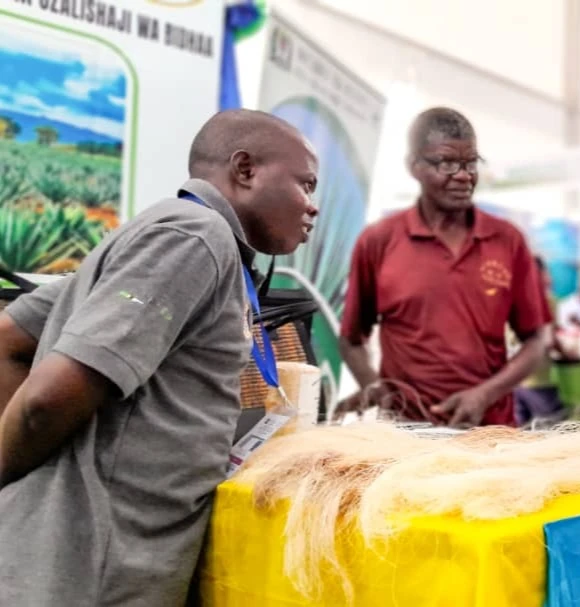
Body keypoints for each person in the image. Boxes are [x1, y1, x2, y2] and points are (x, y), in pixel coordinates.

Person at [0, 109, 319, 606]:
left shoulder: (174, 235)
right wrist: (10, 474)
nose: (312, 206)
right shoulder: (194, 238)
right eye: (306, 184)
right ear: (245, 169)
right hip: (91, 575)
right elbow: (46, 399)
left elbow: (10, 337)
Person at [336, 107, 550, 428]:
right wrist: (374, 387)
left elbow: (536, 341)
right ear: (414, 167)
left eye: (471, 162)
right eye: (447, 163)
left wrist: (484, 395)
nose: (464, 175)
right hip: (406, 434)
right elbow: (351, 339)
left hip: (489, 433)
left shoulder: (507, 240)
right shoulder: (378, 241)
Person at [513, 256, 570, 427]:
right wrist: (567, 355)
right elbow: (549, 341)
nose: (549, 277)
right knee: (555, 431)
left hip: (512, 381)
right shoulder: (545, 301)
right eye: (546, 272)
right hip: (536, 380)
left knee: (520, 434)